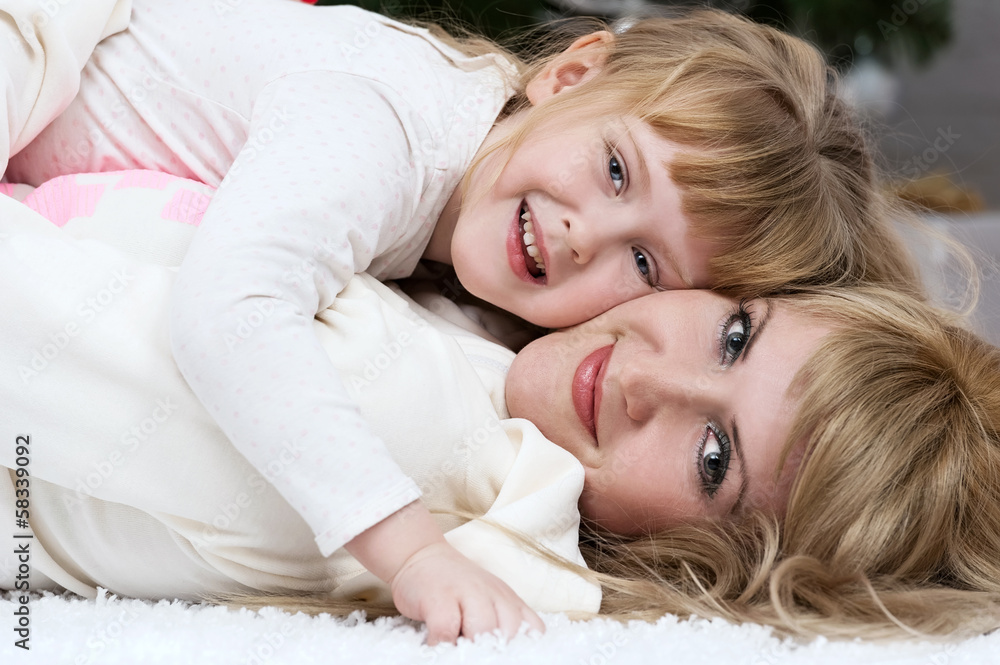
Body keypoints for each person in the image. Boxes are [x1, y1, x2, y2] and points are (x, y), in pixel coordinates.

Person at [1, 0, 929, 641]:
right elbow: (230, 313)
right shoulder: (383, 125)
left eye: (643, 264)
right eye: (614, 171)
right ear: (569, 75)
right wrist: (408, 548)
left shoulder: (469, 244)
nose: (580, 235)